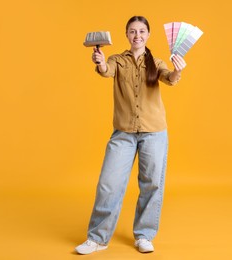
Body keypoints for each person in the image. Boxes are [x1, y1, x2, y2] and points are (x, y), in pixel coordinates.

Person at [75, 15, 187, 255]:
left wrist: (177, 71)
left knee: (151, 184)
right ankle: (97, 238)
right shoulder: (117, 60)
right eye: (132, 31)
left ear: (148, 35)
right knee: (109, 184)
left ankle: (144, 235)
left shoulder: (155, 62)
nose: (137, 35)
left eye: (142, 31)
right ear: (127, 35)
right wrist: (101, 62)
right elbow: (106, 71)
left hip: (154, 132)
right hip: (123, 133)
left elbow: (169, 78)